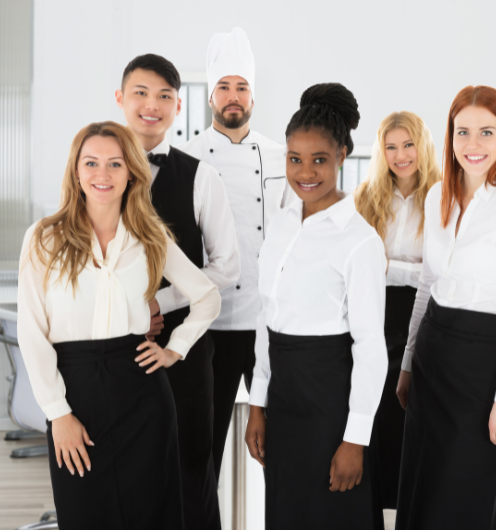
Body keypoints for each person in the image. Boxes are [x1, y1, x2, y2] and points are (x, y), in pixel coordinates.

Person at [17, 121, 221, 530]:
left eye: (114, 164)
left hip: (142, 394)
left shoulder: (150, 238)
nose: (102, 174)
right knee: (85, 512)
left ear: (131, 172)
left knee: (151, 516)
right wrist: (58, 414)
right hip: (76, 392)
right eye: (91, 163)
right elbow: (32, 331)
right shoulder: (44, 237)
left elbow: (207, 297)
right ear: (76, 171)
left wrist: (173, 348)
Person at [394, 85, 496, 529]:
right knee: (422, 484)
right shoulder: (437, 193)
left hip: (484, 366)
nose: (473, 145)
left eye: (486, 132)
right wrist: (407, 364)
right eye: (463, 132)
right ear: (450, 135)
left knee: (468, 490)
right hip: (432, 356)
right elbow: (426, 286)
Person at [244, 83, 387, 530]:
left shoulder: (359, 240)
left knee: (333, 515)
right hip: (283, 400)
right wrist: (257, 405)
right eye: (295, 159)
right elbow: (268, 321)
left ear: (343, 156)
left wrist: (355, 440)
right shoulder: (283, 226)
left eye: (319, 160)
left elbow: (370, 347)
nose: (305, 172)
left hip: (331, 403)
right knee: (287, 513)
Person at [115, 53, 241, 530]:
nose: (153, 105)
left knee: (190, 465)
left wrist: (160, 303)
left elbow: (226, 268)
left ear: (178, 107)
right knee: (124, 467)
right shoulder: (97, 173)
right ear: (121, 100)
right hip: (110, 347)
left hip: (184, 348)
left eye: (165, 96)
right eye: (141, 94)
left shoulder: (201, 176)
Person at [179, 28, 295, 479]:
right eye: (224, 87)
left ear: (252, 96)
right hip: (212, 323)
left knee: (283, 443)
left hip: (269, 322)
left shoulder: (282, 157)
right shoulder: (186, 160)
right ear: (210, 96)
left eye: (241, 88)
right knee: (202, 447)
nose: (233, 97)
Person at [353, 111, 440, 511]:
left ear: (422, 147)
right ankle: (378, 500)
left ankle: (412, 502)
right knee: (378, 404)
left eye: (408, 145)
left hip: (423, 312)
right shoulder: (365, 196)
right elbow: (358, 263)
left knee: (415, 409)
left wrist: (388, 265)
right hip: (378, 310)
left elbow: (439, 271)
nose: (401, 155)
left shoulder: (444, 196)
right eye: (391, 147)